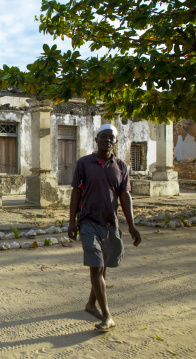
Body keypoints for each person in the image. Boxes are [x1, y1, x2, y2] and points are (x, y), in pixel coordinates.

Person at [68, 124, 141, 332]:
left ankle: (91, 304)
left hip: (110, 223)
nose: (107, 140)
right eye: (103, 136)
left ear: (115, 142)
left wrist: (132, 226)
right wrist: (72, 221)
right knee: (96, 265)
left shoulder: (121, 167)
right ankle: (107, 315)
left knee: (103, 265)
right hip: (88, 221)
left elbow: (124, 196)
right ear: (95, 139)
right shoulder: (84, 164)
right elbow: (76, 193)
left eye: (111, 137)